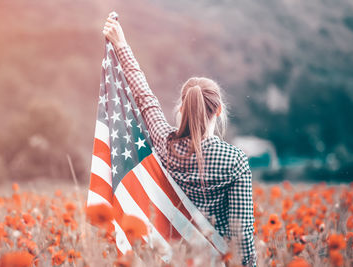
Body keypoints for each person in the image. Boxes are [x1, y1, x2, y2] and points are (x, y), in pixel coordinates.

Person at [103, 14, 257, 267]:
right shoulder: (235, 160)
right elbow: (241, 235)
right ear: (218, 110)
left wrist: (120, 45)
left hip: (169, 260)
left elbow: (144, 97)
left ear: (182, 107)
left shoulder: (164, 142)